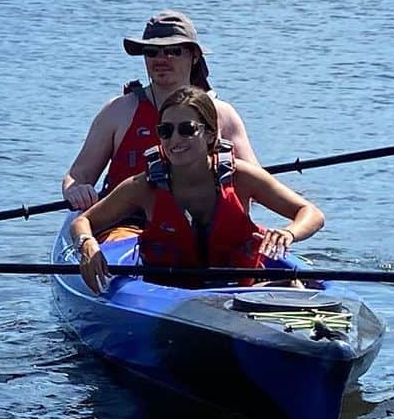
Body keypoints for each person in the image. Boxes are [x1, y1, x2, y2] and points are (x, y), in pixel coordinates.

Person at [68, 86, 324, 295]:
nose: (174, 140)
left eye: (187, 129)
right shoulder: (144, 186)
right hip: (168, 298)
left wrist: (289, 233)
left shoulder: (241, 176)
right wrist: (87, 243)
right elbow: (83, 221)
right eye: (165, 131)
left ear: (210, 134)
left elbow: (310, 213)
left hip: (241, 295)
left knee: (292, 286)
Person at [62, 10, 257, 211]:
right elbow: (79, 176)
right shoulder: (117, 111)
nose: (161, 59)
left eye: (173, 50)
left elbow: (255, 182)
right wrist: (76, 190)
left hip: (201, 224)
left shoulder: (222, 115)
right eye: (152, 52)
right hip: (125, 225)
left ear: (195, 56)